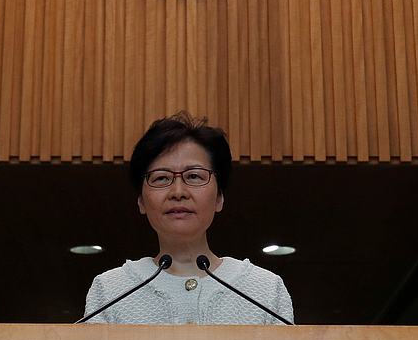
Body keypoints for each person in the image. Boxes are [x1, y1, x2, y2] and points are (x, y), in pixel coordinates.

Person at [83, 112, 294, 325]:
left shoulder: (265, 290)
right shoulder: (110, 291)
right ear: (141, 202)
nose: (178, 192)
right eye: (161, 178)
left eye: (194, 176)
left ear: (219, 198)